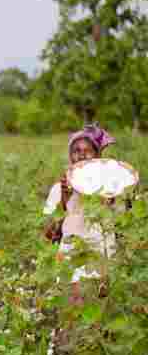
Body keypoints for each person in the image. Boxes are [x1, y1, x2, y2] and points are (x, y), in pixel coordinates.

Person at [43, 124, 118, 303]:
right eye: (76, 150)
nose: (82, 154)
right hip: (71, 257)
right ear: (70, 156)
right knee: (74, 311)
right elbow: (49, 233)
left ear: (97, 156)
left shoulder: (111, 186)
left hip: (101, 255)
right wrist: (64, 199)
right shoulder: (59, 188)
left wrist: (107, 199)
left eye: (88, 150)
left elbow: (122, 221)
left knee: (99, 310)